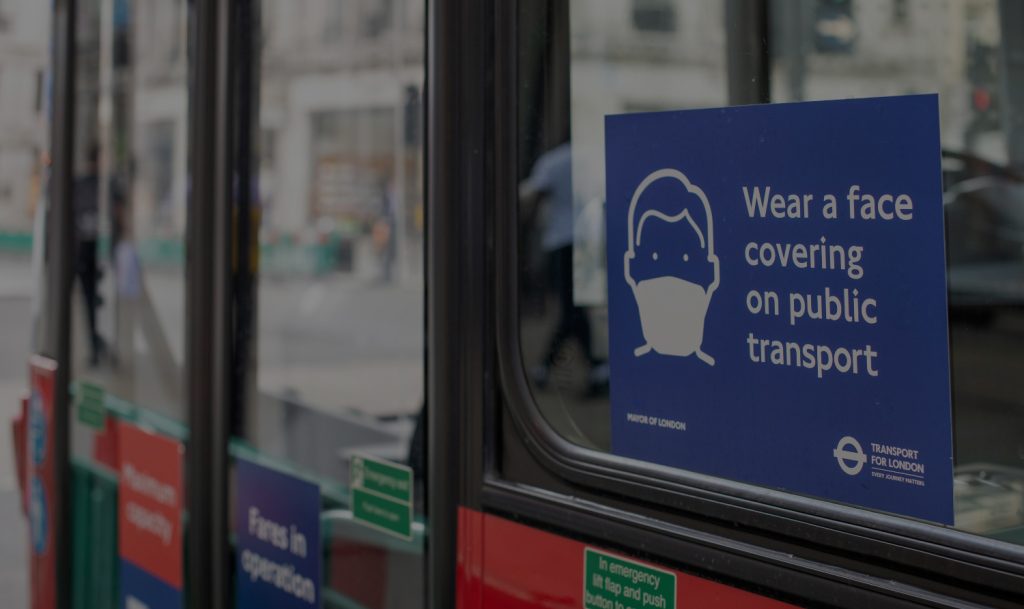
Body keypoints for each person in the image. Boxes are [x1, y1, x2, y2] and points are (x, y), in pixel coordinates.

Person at [521, 142, 604, 393]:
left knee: (571, 308)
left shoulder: (552, 161)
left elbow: (535, 198)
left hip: (562, 240)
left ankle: (554, 366)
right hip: (588, 239)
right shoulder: (590, 159)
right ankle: (596, 367)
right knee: (578, 306)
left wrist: (525, 237)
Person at [73, 147, 106, 365]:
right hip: (86, 252)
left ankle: (97, 345)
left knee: (91, 302)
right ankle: (95, 345)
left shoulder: (90, 185)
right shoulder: (92, 185)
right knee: (89, 302)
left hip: (88, 252)